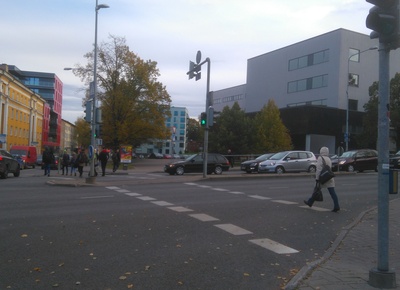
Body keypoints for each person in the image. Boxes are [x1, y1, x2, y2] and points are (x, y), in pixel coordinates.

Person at [304, 147, 340, 212]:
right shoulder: (329, 158)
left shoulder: (320, 158)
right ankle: (336, 206)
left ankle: (310, 202)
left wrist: (317, 178)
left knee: (316, 190)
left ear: (321, 151)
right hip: (329, 177)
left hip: (322, 178)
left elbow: (319, 169)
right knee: (332, 193)